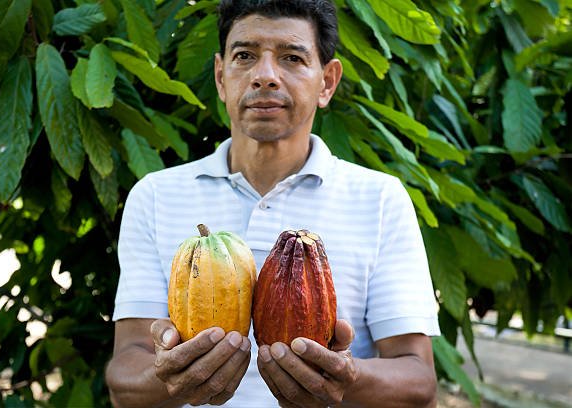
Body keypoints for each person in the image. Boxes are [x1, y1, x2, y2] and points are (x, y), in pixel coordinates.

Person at [105, 0, 441, 406]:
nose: (265, 76)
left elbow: (419, 383)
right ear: (220, 77)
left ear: (327, 82)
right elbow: (124, 378)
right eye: (245, 56)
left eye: (292, 57)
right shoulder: (155, 196)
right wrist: (170, 373)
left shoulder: (381, 199)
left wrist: (345, 376)